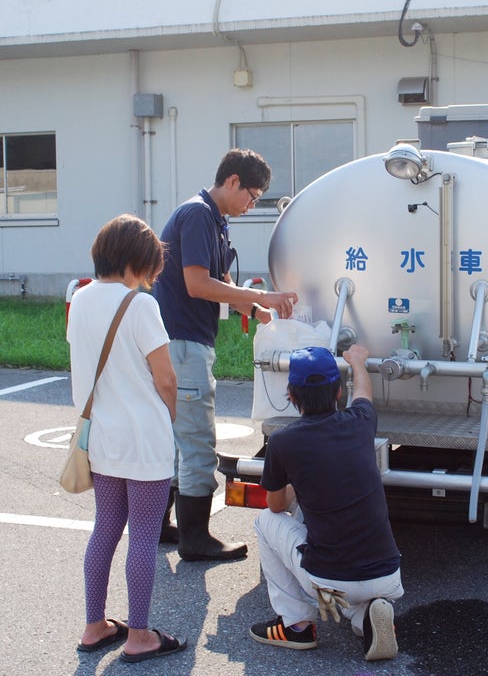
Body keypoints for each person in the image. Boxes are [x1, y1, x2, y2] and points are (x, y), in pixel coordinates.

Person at [153, 148, 298, 562]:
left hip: (177, 341)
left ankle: (161, 525)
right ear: (232, 181)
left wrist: (259, 311)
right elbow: (198, 284)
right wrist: (259, 295)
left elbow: (222, 282)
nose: (252, 205)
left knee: (174, 440)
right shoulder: (199, 214)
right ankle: (196, 538)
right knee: (197, 440)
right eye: (252, 195)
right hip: (183, 343)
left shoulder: (214, 221)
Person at [68, 214, 187, 663]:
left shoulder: (79, 300)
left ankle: (95, 625)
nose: (152, 279)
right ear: (138, 262)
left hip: (101, 440)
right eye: (152, 269)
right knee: (143, 536)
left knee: (105, 528)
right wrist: (168, 419)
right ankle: (140, 636)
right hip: (143, 441)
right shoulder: (140, 306)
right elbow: (166, 380)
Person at [250, 344, 404, 662]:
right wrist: (357, 362)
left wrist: (300, 478)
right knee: (349, 590)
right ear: (337, 393)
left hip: (329, 581)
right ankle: (367, 617)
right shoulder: (360, 421)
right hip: (387, 574)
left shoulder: (283, 442)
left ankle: (296, 626)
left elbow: (276, 505)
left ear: (291, 395)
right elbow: (363, 392)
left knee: (265, 521)